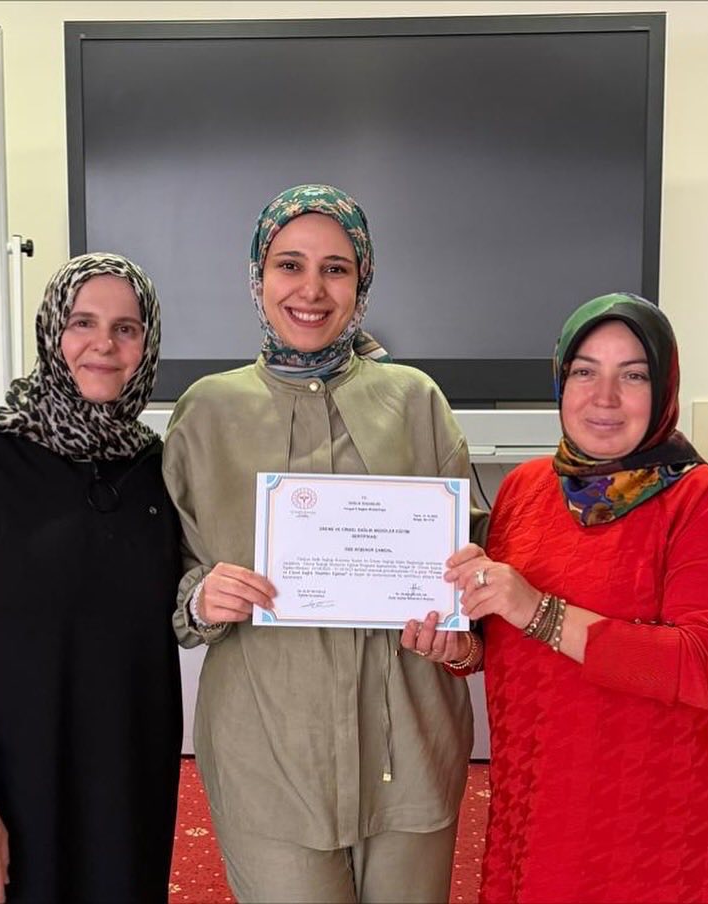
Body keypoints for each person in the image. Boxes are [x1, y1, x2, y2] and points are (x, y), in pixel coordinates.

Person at [163, 184, 485, 903]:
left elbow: (473, 565)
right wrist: (202, 598)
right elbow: (165, 577)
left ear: (361, 283)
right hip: (268, 750)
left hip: (410, 744)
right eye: (289, 265)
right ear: (258, 276)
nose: (311, 289)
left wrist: (462, 628)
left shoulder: (416, 400)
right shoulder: (206, 412)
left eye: (336, 268)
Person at [0, 253, 183, 903]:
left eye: (127, 328)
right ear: (52, 332)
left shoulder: (158, 469)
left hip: (124, 792)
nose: (104, 344)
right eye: (83, 322)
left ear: (148, 342)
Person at [445, 292, 708, 903]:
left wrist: (539, 610)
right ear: (561, 381)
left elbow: (701, 665)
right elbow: (508, 634)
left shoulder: (702, 501)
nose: (605, 397)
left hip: (650, 805)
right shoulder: (526, 488)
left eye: (633, 375)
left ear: (663, 389)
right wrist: (459, 649)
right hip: (534, 787)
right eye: (585, 372)